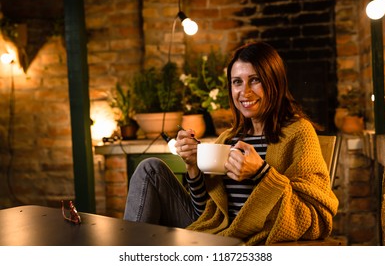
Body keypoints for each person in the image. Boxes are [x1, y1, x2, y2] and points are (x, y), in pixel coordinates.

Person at [123, 41, 339, 245]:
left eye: (255, 80)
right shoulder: (227, 138)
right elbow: (205, 215)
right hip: (214, 233)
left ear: (274, 82)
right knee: (150, 169)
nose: (244, 92)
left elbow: (318, 219)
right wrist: (192, 167)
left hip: (249, 239)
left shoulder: (298, 132)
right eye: (237, 82)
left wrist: (262, 173)